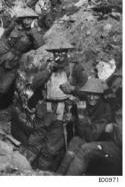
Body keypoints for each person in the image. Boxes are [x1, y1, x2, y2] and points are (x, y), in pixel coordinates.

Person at [19, 37, 88, 171]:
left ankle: (42, 173)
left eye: (62, 52)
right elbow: (34, 84)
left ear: (67, 52)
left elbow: (87, 92)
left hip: (63, 112)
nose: (59, 55)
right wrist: (48, 71)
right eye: (56, 52)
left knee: (51, 148)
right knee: (34, 141)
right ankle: (24, 170)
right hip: (45, 110)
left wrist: (73, 89)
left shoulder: (75, 68)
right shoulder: (48, 65)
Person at [57, 78, 122, 175]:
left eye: (95, 94)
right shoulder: (83, 103)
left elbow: (91, 136)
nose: (91, 97)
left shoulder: (106, 109)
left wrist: (82, 117)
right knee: (72, 147)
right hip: (85, 136)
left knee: (83, 148)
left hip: (99, 141)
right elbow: (81, 130)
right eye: (89, 94)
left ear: (100, 95)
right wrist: (73, 117)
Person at [0, 6, 43, 111]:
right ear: (22, 19)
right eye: (26, 19)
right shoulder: (14, 27)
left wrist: (33, 33)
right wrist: (0, 49)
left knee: (4, 88)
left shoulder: (33, 33)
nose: (27, 21)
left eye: (30, 19)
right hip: (2, 58)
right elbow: (4, 35)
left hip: (14, 63)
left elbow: (40, 46)